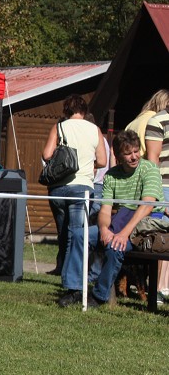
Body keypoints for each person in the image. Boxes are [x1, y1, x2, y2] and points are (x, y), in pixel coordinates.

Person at [84, 130, 164, 308]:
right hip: (118, 222)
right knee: (80, 235)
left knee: (115, 246)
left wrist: (123, 234)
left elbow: (147, 206)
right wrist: (104, 230)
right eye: (128, 153)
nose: (134, 156)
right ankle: (74, 289)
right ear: (118, 155)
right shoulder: (111, 175)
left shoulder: (149, 168)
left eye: (136, 151)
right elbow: (105, 210)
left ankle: (98, 296)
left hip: (145, 226)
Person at [43, 95, 107, 306]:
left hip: (59, 188)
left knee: (64, 235)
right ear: (84, 109)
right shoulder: (94, 129)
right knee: (76, 236)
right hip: (82, 189)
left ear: (66, 110)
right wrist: (86, 164)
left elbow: (46, 154)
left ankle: (67, 279)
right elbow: (103, 160)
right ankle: (71, 286)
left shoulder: (59, 127)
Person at [142, 89, 169, 298]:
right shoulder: (158, 121)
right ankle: (158, 290)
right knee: (161, 240)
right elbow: (153, 160)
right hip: (165, 187)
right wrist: (158, 194)